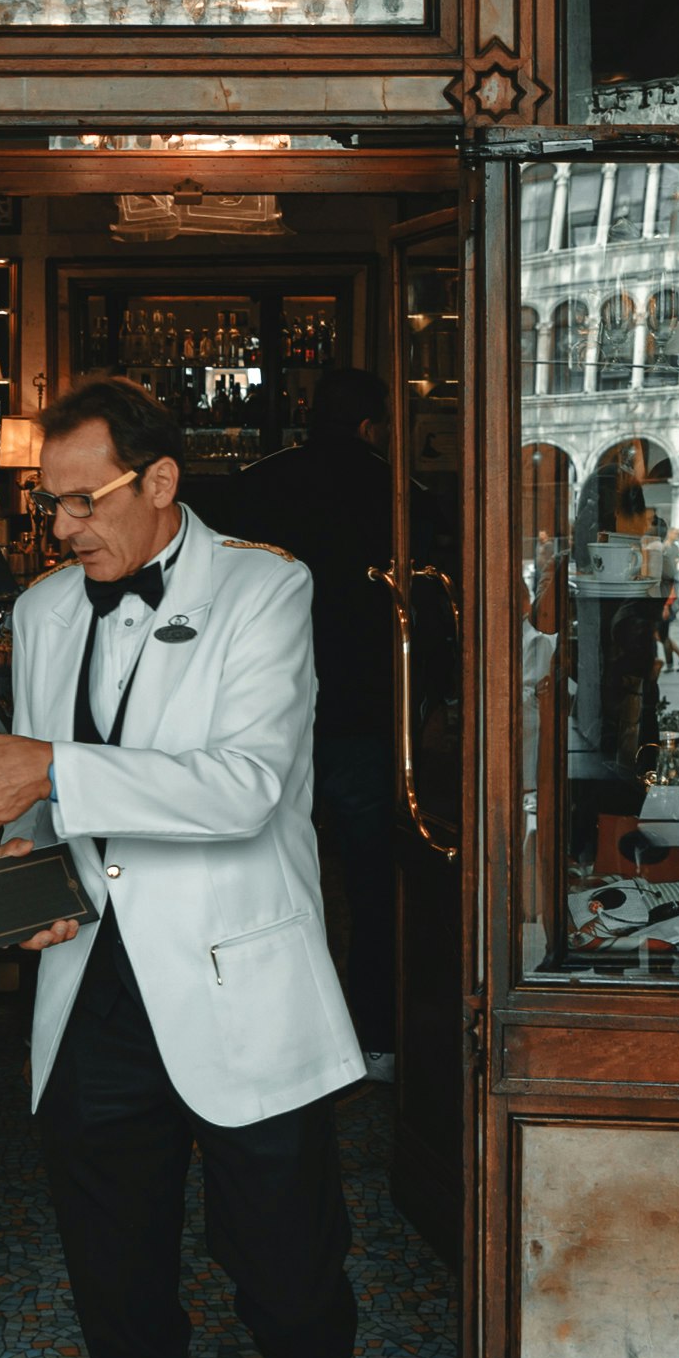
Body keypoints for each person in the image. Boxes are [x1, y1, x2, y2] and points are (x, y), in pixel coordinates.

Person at [0, 374, 368, 1358]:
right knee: (121, 1309)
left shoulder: (267, 591)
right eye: (42, 503)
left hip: (240, 991)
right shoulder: (52, 612)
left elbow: (242, 790)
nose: (57, 531)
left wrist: (49, 770)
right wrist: (30, 881)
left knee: (290, 1285)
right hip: (95, 1008)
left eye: (78, 501)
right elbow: (59, 819)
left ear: (161, 481)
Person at [205, 365, 400, 1068]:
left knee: (259, 875)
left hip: (261, 710)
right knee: (373, 884)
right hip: (361, 708)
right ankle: (372, 1037)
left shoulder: (256, 483)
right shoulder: (393, 490)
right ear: (374, 424)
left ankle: (259, 1040)